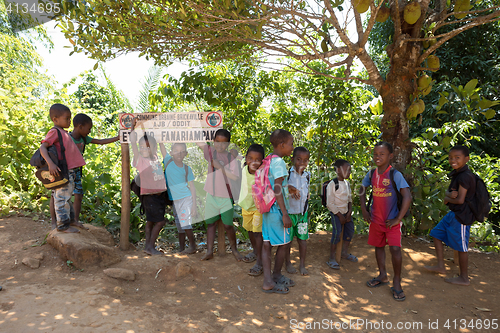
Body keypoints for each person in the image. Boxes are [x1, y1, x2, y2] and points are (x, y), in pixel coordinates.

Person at [360, 142, 411, 301]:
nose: (378, 157)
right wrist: (364, 210)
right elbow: (362, 189)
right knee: (379, 246)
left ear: (390, 156)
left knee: (395, 249)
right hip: (376, 220)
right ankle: (382, 275)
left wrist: (398, 219)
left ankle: (397, 281)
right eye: (375, 154)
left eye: (382, 154)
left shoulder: (394, 174)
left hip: (392, 221)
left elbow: (407, 196)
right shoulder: (371, 174)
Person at [49, 113, 119, 230]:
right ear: (80, 126)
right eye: (89, 128)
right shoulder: (66, 138)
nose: (89, 131)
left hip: (76, 172)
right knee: (55, 196)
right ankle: (53, 222)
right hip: (63, 171)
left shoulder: (83, 139)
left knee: (78, 195)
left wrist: (118, 137)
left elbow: (101, 141)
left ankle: (75, 220)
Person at [424, 145, 476, 286]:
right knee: (436, 234)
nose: (453, 160)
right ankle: (441, 266)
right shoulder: (457, 174)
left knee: (461, 247)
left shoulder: (465, 176)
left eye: (457, 158)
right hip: (453, 214)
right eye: (451, 157)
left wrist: (447, 199)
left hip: (462, 216)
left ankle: (464, 278)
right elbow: (448, 193)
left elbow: (459, 200)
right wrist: (448, 196)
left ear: (467, 159)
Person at [196, 129, 243, 261]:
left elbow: (234, 177)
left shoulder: (231, 157)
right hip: (211, 194)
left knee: (228, 225)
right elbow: (198, 141)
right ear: (213, 141)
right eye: (217, 142)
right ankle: (209, 251)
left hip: (226, 196)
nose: (220, 145)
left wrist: (220, 167)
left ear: (228, 144)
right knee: (211, 224)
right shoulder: (210, 152)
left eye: (223, 143)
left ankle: (234, 250)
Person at [39, 104, 86, 233]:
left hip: (69, 171)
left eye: (70, 118)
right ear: (55, 119)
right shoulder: (54, 131)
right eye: (67, 118)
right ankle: (62, 225)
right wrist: (50, 164)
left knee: (67, 197)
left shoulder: (63, 132)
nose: (69, 121)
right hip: (62, 171)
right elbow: (43, 147)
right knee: (61, 198)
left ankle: (70, 221)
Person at [262, 129, 295, 294]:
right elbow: (277, 188)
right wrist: (285, 213)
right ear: (282, 145)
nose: (292, 147)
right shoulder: (279, 162)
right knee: (284, 244)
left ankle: (269, 280)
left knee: (267, 244)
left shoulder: (268, 159)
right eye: (291, 144)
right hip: (276, 209)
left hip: (266, 208)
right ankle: (275, 275)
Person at [130, 119, 167, 255]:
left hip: (158, 196)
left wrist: (146, 128)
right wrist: (132, 129)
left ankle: (148, 247)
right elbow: (133, 143)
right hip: (150, 197)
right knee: (160, 222)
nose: (144, 149)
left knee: (151, 221)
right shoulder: (140, 160)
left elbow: (150, 140)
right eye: (142, 147)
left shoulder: (155, 157)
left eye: (148, 147)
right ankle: (150, 247)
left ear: (154, 149)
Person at [160, 142, 198, 255]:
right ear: (171, 153)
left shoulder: (187, 169)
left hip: (186, 198)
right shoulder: (168, 161)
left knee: (185, 222)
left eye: (182, 151)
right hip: (175, 200)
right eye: (176, 151)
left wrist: (194, 205)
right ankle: (182, 249)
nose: (179, 153)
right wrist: (160, 139)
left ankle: (192, 246)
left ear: (186, 153)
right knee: (179, 225)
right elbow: (161, 146)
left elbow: (192, 187)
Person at [238, 144, 265, 276]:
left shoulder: (262, 172)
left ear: (262, 161)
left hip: (258, 208)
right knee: (249, 230)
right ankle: (255, 251)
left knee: (257, 234)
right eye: (250, 158)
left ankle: (260, 262)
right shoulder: (243, 167)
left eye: (257, 159)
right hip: (246, 205)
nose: (253, 162)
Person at [326, 159, 357, 270]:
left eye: (350, 170)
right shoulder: (332, 184)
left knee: (350, 231)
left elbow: (349, 199)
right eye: (346, 170)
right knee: (337, 233)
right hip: (336, 214)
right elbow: (330, 203)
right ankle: (332, 258)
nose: (349, 172)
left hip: (346, 213)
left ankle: (344, 253)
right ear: (338, 170)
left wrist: (349, 212)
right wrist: (339, 216)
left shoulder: (347, 183)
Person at [285, 147, 311, 276]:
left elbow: (307, 190)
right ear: (292, 159)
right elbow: (280, 188)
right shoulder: (287, 174)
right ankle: (288, 263)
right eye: (299, 159)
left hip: (302, 214)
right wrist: (290, 188)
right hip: (289, 213)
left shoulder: (307, 175)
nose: (302, 163)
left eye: (305, 160)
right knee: (288, 241)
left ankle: (302, 264)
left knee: (302, 239)